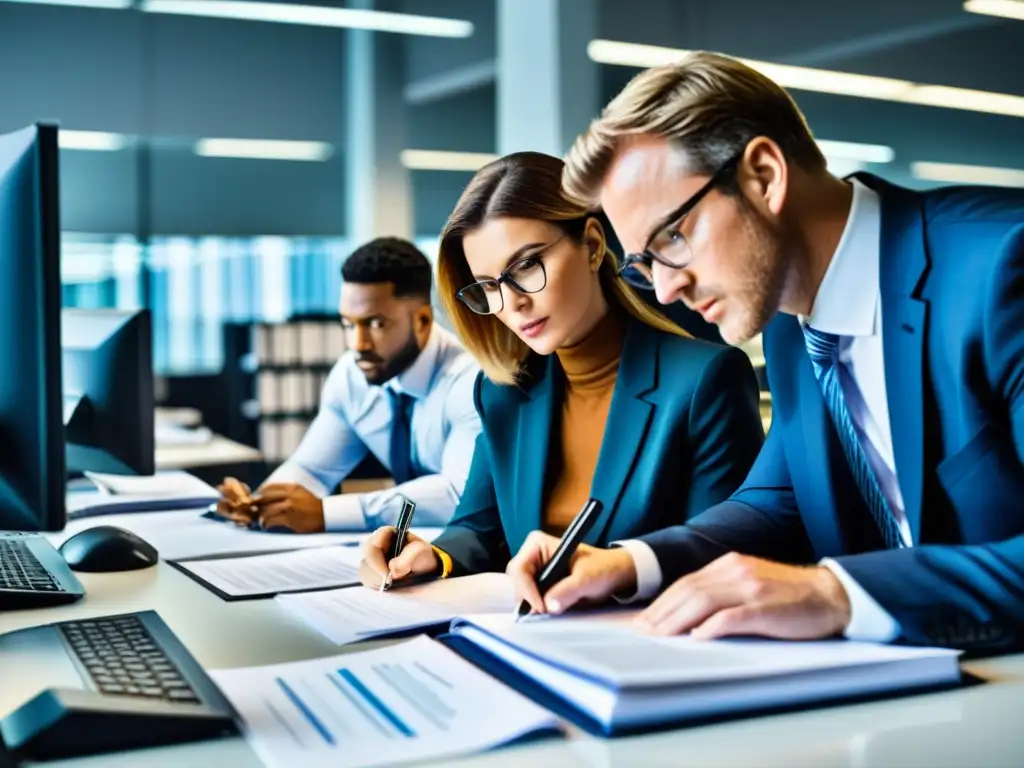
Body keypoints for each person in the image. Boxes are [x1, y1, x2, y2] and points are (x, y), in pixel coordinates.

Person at [505, 51, 1024, 653]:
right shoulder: (788, 322)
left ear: (764, 176)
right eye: (646, 263)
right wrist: (630, 564)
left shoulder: (1002, 269)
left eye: (671, 238)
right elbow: (777, 504)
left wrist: (837, 593)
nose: (667, 287)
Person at [359, 151, 764, 587]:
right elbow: (476, 529)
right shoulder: (505, 392)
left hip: (648, 638)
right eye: (490, 285)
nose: (513, 302)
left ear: (591, 245)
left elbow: (720, 553)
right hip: (525, 635)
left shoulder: (705, 381)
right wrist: (433, 556)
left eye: (527, 265)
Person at [218, 237, 482, 532]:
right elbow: (312, 471)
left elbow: (457, 495)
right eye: (348, 324)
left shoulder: (470, 380)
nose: (357, 343)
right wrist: (260, 504)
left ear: (422, 320)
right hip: (405, 550)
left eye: (376, 324)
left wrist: (328, 513)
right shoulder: (351, 375)